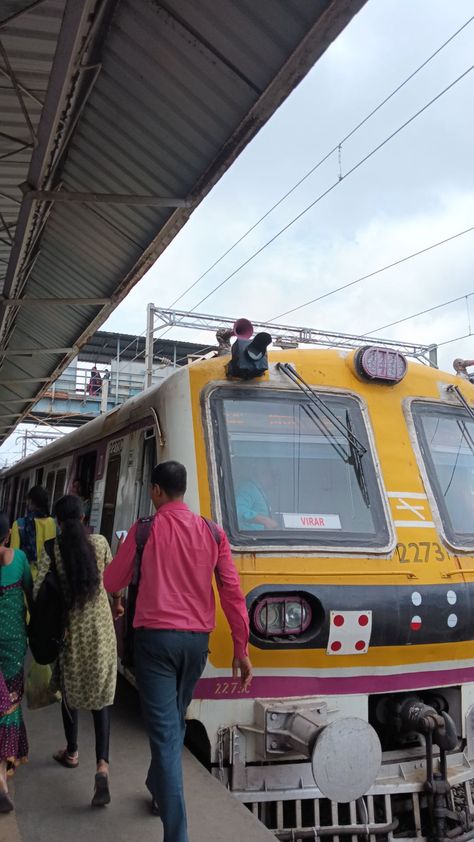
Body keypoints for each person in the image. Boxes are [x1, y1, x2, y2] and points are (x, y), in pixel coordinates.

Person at [103, 460, 252, 842]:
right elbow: (232, 592)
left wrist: (125, 552)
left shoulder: (143, 530)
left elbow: (112, 580)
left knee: (167, 735)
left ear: (156, 491)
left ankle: (177, 835)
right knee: (174, 724)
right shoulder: (212, 532)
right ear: (183, 490)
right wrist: (241, 647)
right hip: (195, 646)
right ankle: (157, 786)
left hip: (155, 645)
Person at [33, 495, 117, 807]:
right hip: (102, 631)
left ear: (58, 520)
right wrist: (118, 603)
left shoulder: (52, 550)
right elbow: (112, 579)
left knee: (70, 694)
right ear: (83, 518)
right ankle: (103, 766)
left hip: (71, 632)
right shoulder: (100, 543)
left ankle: (71, 751)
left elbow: (41, 588)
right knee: (102, 698)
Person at [0, 512, 32, 812]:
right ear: (8, 534)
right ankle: (1, 773)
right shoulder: (20, 559)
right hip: (12, 642)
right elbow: (31, 594)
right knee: (8, 701)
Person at [10, 485, 56, 572]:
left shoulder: (19, 524)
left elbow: (13, 559)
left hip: (26, 578)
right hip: (48, 579)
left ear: (30, 501)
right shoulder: (55, 524)